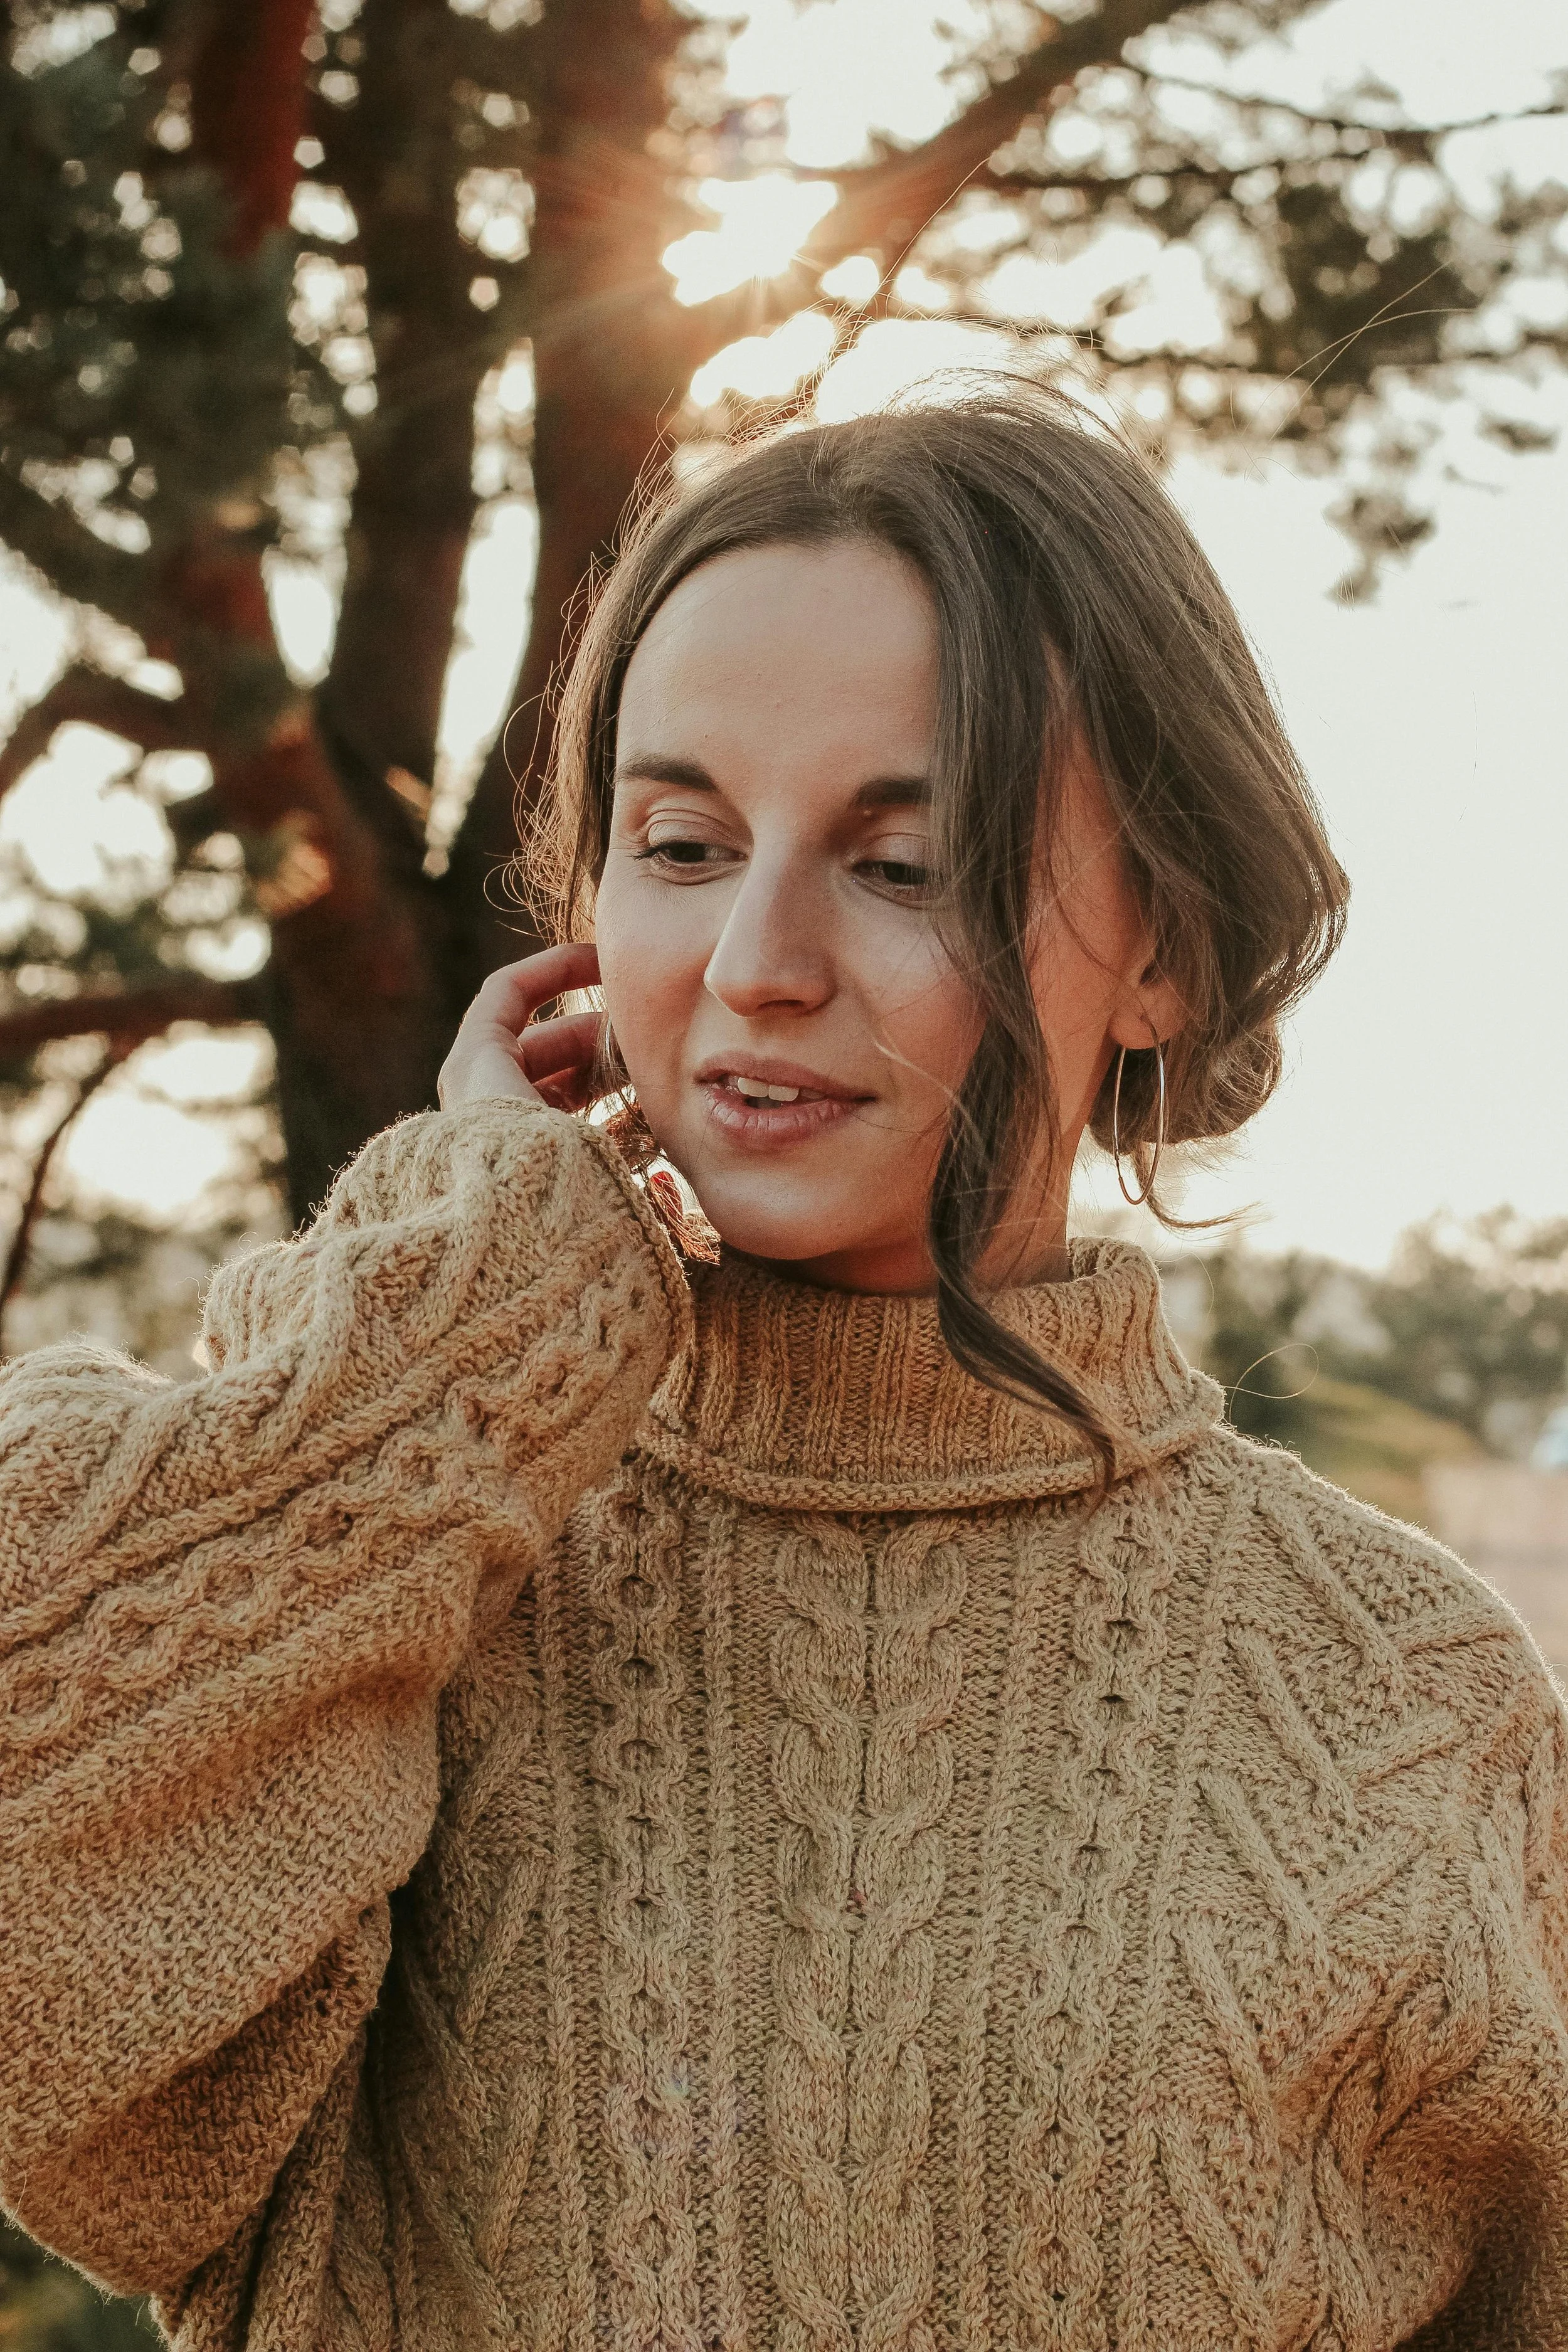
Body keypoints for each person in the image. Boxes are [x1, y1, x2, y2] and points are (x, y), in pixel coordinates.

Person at [2, 383, 1565, 2352]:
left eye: (899, 864)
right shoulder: (367, 1550)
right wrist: (480, 1310)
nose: (752, 958)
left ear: (1160, 944)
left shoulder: (1403, 1697)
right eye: (678, 840)